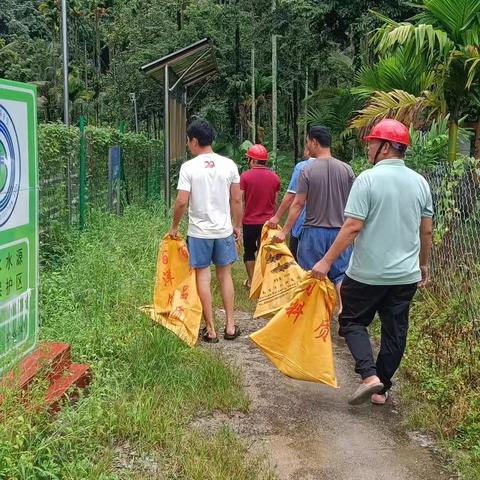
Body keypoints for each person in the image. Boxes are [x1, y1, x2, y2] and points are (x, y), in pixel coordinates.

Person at [311, 119, 434, 406]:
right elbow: (426, 229)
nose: (368, 148)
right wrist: (423, 264)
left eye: (372, 143)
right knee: (395, 331)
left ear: (387, 147)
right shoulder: (420, 183)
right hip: (405, 275)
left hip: (367, 273)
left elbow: (353, 226)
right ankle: (381, 389)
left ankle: (369, 376)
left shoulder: (367, 179)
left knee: (352, 320)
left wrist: (327, 262)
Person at [169, 120, 243, 343]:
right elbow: (237, 198)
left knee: (203, 275)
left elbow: (182, 201)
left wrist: (174, 227)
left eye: (188, 141)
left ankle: (210, 330)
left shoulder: (189, 167)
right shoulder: (229, 165)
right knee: (225, 275)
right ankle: (230, 326)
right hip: (223, 230)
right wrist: (236, 225)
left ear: (194, 141)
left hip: (199, 232)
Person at [273, 126, 355, 309]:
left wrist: (285, 231)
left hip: (313, 232)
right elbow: (352, 204)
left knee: (311, 275)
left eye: (308, 142)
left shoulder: (307, 170)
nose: (307, 145)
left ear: (314, 142)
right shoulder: (347, 170)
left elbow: (298, 204)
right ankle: (345, 314)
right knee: (340, 275)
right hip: (340, 233)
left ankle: (312, 315)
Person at [240, 144, 280, 288]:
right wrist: (275, 218)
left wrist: (238, 220)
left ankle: (252, 282)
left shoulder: (245, 176)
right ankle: (266, 282)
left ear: (252, 160)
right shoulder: (275, 178)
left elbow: (241, 200)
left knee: (249, 251)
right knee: (266, 252)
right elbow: (275, 202)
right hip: (268, 223)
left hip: (249, 221)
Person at [268, 144, 313, 260]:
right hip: (333, 229)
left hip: (304, 226)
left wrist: (278, 218)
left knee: (300, 266)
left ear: (309, 150)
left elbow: (292, 196)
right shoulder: (341, 168)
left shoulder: (303, 167)